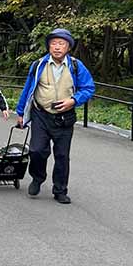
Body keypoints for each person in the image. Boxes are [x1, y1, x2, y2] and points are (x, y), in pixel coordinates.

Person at [15, 29, 96, 204]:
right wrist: (20, 112)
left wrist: (73, 100)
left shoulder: (76, 66)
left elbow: (88, 88)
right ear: (49, 46)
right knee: (36, 150)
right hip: (40, 114)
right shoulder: (38, 65)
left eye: (61, 44)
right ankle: (38, 178)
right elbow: (28, 89)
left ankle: (60, 190)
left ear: (68, 47)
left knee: (62, 155)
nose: (57, 47)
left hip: (64, 117)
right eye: (53, 43)